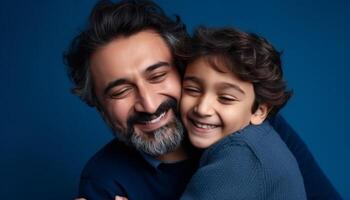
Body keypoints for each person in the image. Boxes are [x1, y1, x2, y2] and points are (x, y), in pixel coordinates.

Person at [64, 0, 342, 199]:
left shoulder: (247, 124)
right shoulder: (105, 182)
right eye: (120, 91)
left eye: (158, 75)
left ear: (184, 68)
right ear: (98, 105)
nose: (148, 104)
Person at [179, 26, 306, 199]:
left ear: (259, 111)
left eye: (225, 98)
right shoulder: (259, 139)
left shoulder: (241, 155)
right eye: (192, 89)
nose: (202, 108)